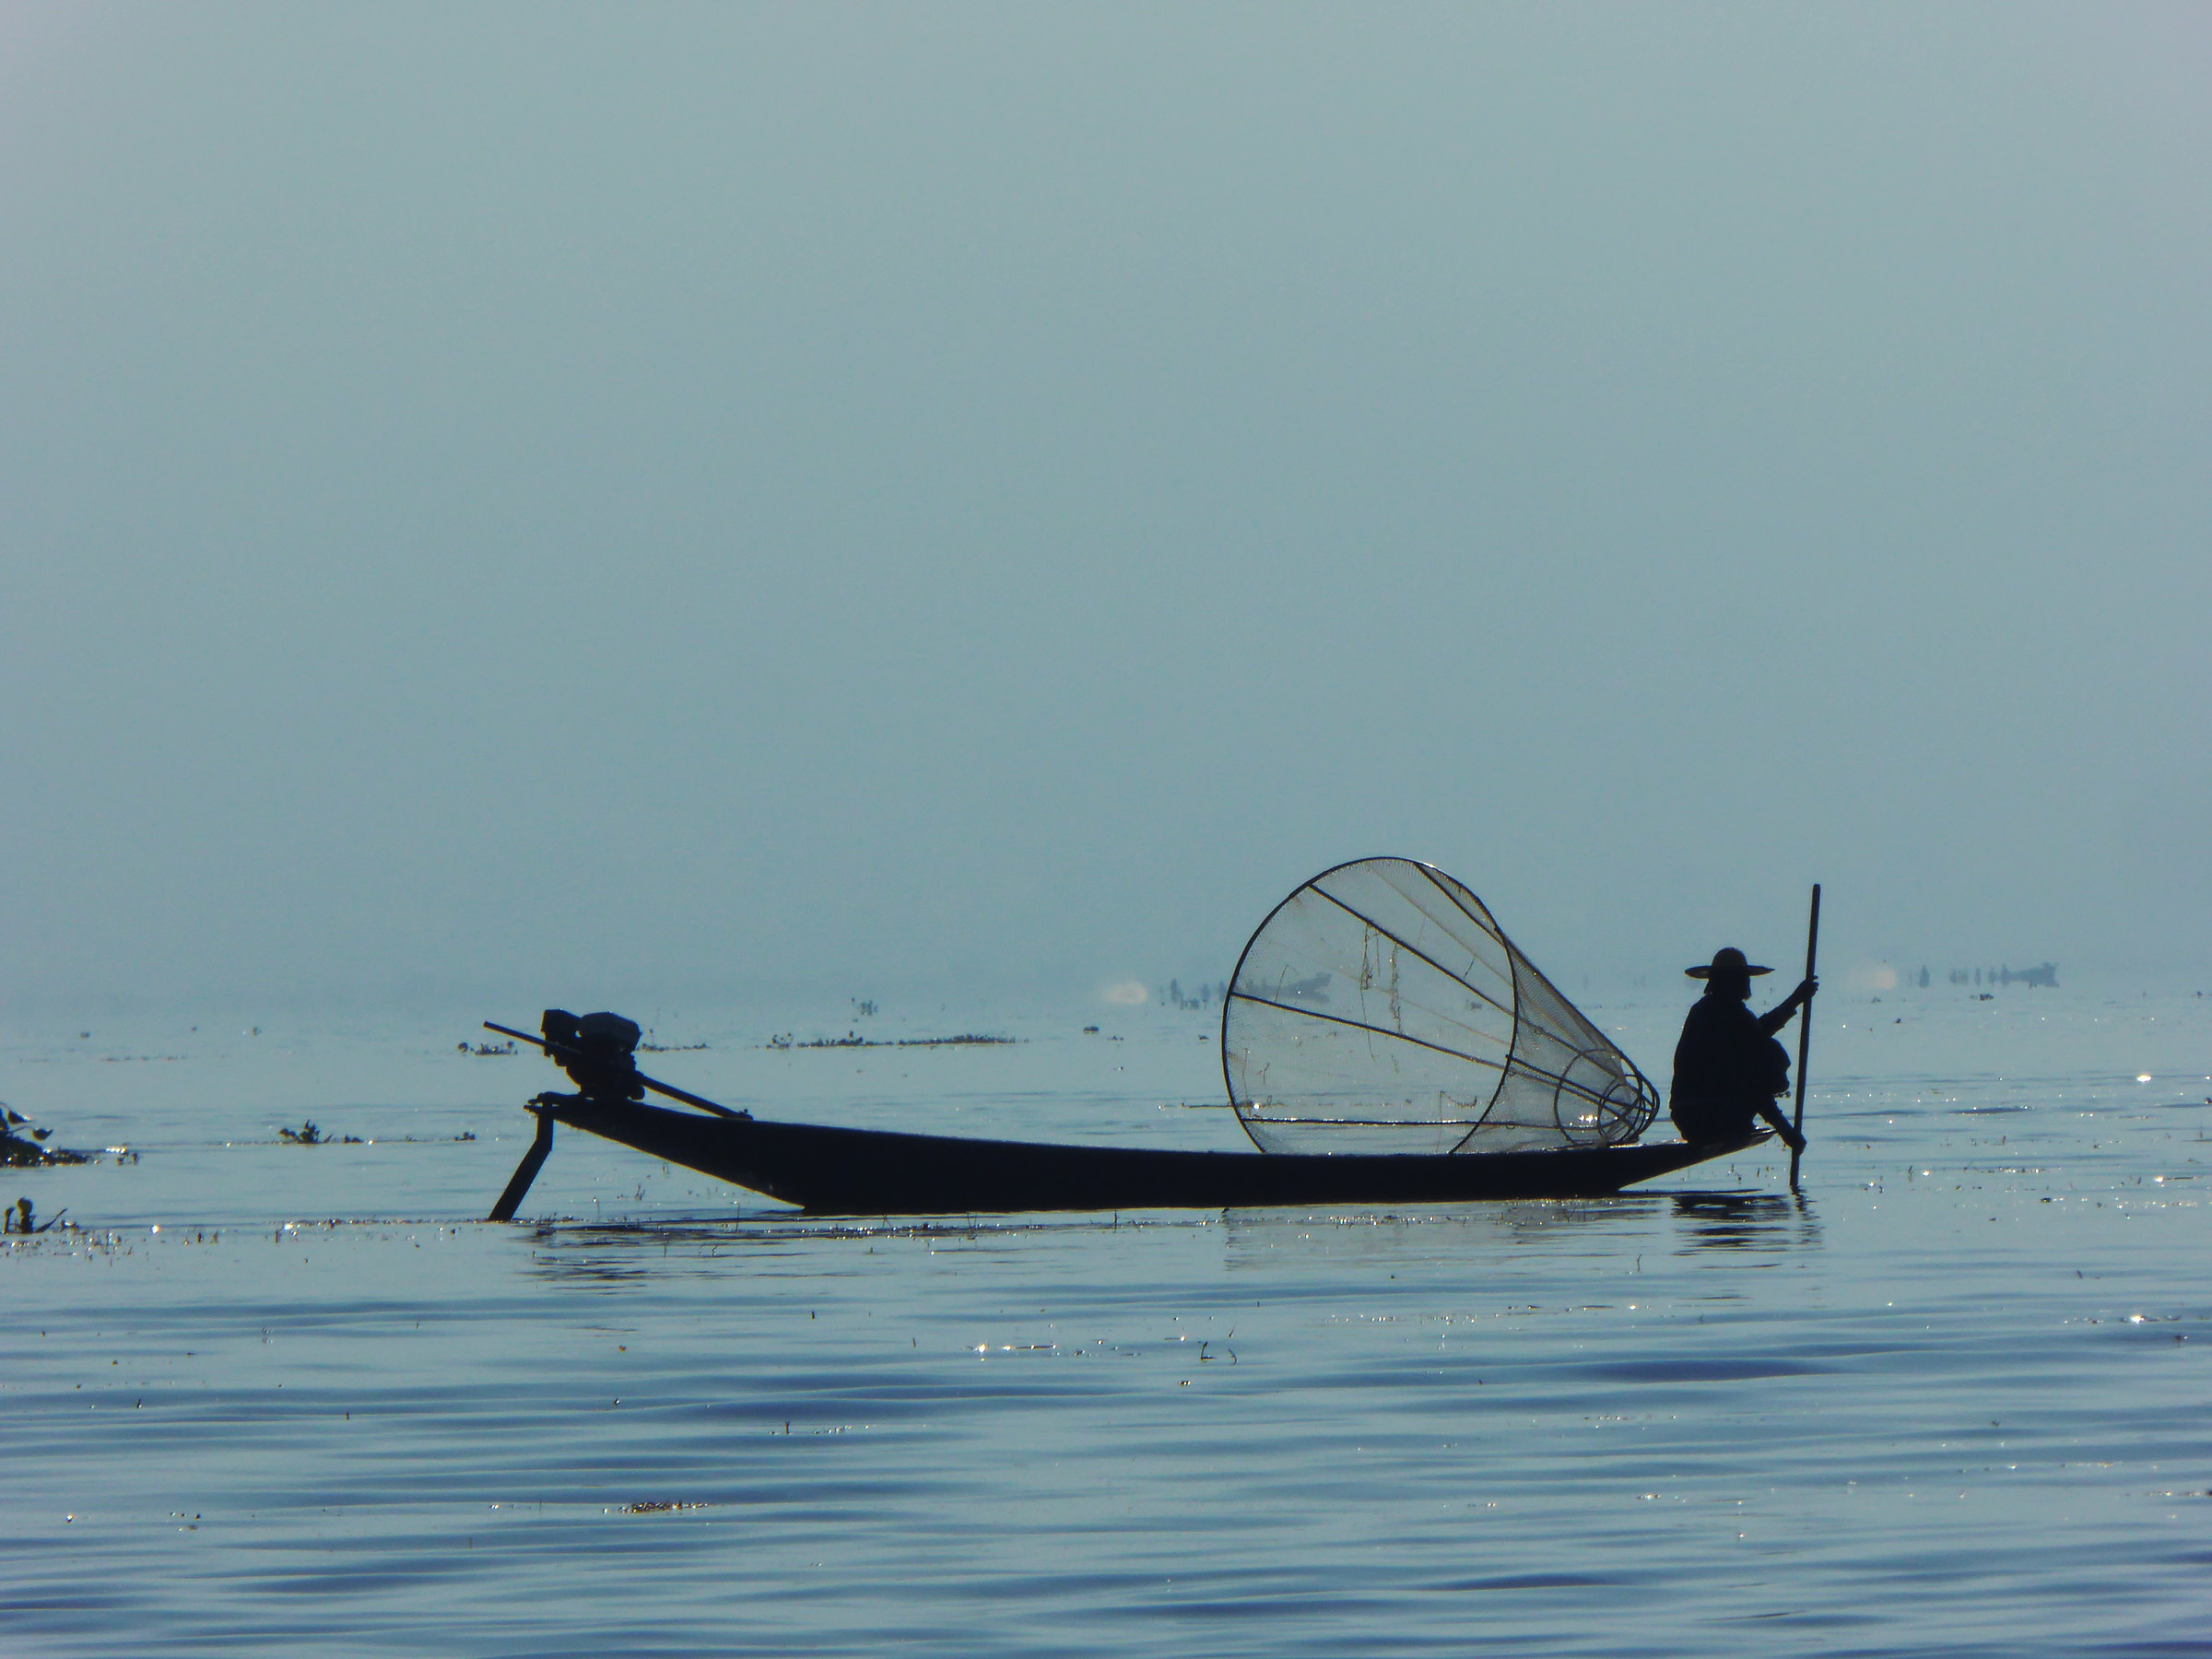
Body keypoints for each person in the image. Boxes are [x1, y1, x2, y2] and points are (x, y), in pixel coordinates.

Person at [1669, 947, 1816, 1148]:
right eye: (1739, 978)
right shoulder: (1725, 1014)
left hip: (1687, 1116)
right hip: (1708, 1113)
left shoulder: (1706, 1010)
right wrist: (1787, 1132)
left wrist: (1796, 999)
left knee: (1764, 1055)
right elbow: (1752, 1077)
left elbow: (1754, 1033)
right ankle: (1735, 1123)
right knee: (1768, 1057)